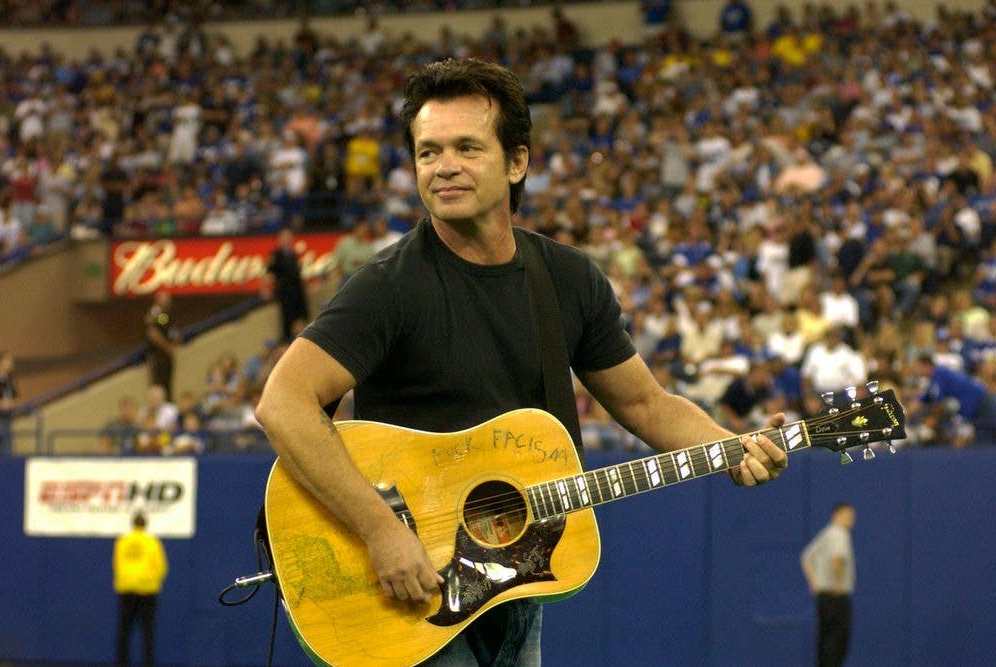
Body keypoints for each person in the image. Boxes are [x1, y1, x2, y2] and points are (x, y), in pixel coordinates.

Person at [255, 59, 789, 666]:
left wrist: (731, 445)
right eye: (427, 152)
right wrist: (380, 530)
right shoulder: (388, 286)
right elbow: (283, 403)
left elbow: (644, 403)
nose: (443, 166)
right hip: (408, 592)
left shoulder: (567, 280)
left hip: (516, 582)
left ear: (517, 162)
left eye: (466, 148)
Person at [801, 503, 857, 667]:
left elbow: (805, 557)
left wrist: (815, 584)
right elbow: (837, 559)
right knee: (837, 642)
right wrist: (837, 584)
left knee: (825, 640)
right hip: (836, 597)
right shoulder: (839, 534)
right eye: (848, 515)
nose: (851, 520)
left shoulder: (826, 534)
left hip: (824, 597)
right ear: (836, 515)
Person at [113, 511, 168, 667]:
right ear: (145, 524)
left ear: (133, 524)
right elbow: (161, 566)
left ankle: (122, 663)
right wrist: (153, 582)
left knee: (124, 632)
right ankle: (148, 663)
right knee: (148, 632)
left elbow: (117, 563)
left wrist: (124, 581)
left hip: (127, 590)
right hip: (147, 591)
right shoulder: (152, 542)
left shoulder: (123, 541)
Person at [264, 228, 310, 342]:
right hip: (285, 294)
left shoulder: (293, 255)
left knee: (301, 319)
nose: (287, 240)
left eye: (289, 237)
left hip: (298, 293)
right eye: (284, 237)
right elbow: (269, 274)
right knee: (287, 322)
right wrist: (266, 290)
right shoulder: (276, 255)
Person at [144, 290, 178, 398]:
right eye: (164, 300)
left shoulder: (165, 315)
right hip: (157, 356)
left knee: (167, 384)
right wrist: (167, 347)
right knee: (158, 383)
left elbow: (171, 331)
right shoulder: (154, 314)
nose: (167, 302)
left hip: (167, 358)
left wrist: (175, 342)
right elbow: (152, 333)